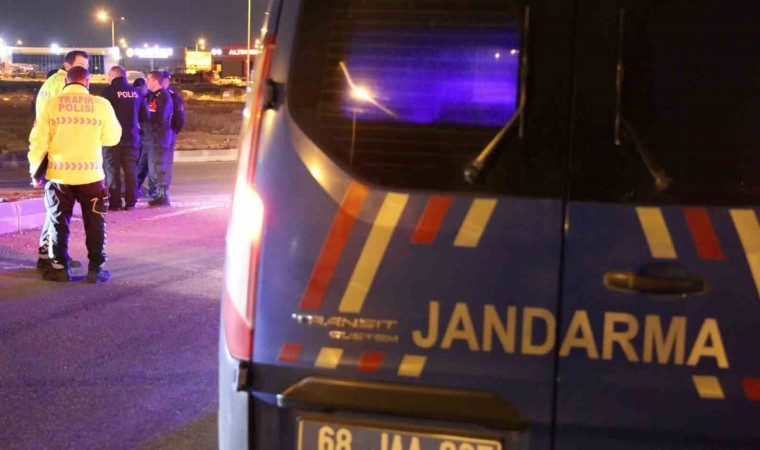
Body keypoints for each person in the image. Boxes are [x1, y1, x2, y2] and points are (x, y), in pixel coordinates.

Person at [28, 66, 122, 283]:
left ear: (66, 82)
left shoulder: (52, 105)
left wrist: (35, 171)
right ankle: (96, 269)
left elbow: (38, 141)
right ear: (87, 82)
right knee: (95, 223)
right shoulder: (101, 105)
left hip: (59, 177)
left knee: (58, 222)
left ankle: (59, 268)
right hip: (91, 177)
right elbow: (113, 137)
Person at [33, 50, 89, 272]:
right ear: (67, 66)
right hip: (57, 153)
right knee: (57, 210)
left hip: (50, 150)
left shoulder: (52, 82)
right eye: (81, 64)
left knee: (55, 208)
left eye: (86, 65)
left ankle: (47, 253)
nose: (85, 69)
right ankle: (51, 256)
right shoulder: (61, 83)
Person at [100, 66, 148, 211]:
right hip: (132, 137)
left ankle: (115, 203)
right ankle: (131, 202)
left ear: (113, 76)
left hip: (112, 139)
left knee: (112, 171)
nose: (108, 80)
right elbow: (144, 116)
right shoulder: (136, 92)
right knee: (131, 170)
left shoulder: (108, 92)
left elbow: (101, 115)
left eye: (109, 77)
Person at [144, 71, 173, 207]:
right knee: (153, 166)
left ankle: (162, 196)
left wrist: (146, 120)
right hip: (152, 137)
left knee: (159, 165)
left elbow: (158, 116)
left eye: (148, 79)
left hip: (159, 137)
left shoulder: (162, 96)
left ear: (155, 81)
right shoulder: (152, 96)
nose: (146, 81)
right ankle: (157, 193)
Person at [161, 71, 185, 194]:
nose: (163, 82)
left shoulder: (173, 96)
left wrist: (174, 131)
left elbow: (180, 117)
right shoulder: (155, 94)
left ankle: (163, 189)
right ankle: (158, 188)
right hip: (159, 134)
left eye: (165, 80)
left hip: (168, 132)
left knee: (166, 162)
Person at [133, 78, 152, 195]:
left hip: (147, 136)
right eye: (137, 89)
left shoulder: (151, 97)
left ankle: (138, 186)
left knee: (144, 164)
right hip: (137, 135)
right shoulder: (134, 98)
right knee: (137, 163)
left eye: (141, 88)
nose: (140, 91)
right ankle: (135, 187)